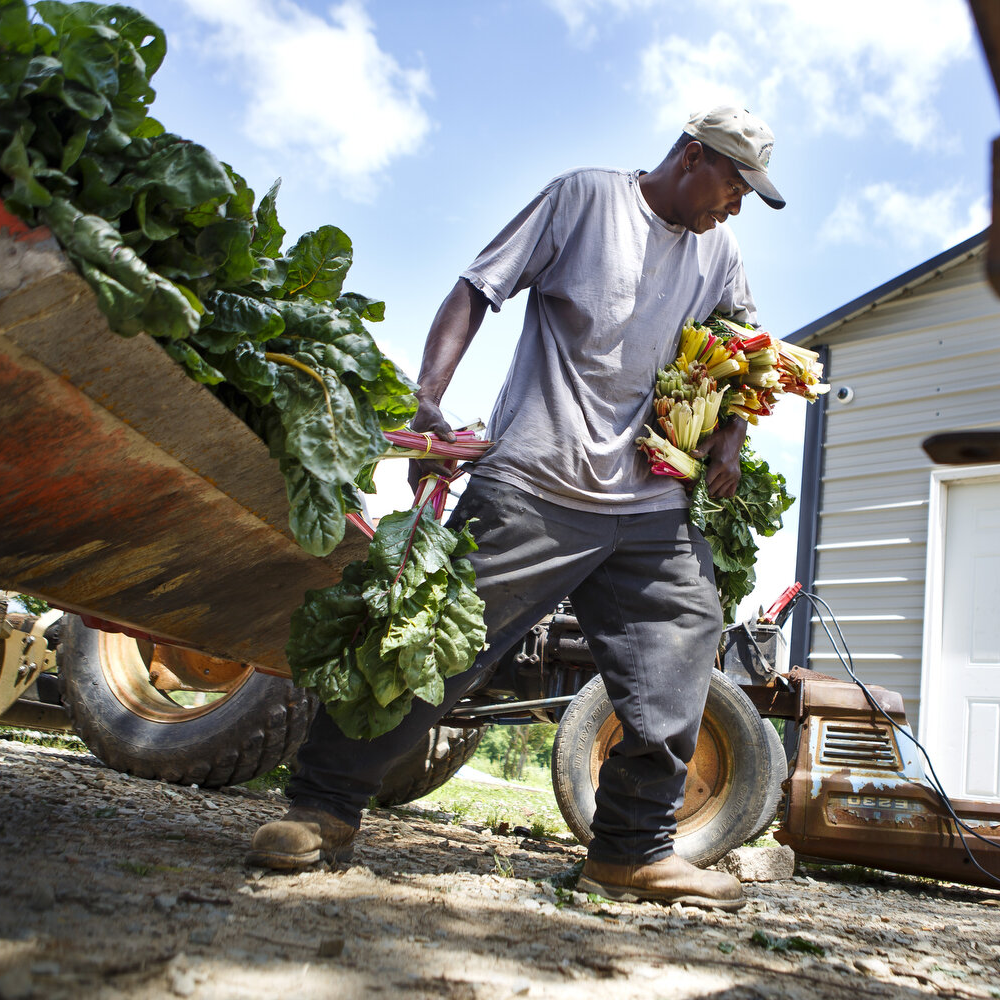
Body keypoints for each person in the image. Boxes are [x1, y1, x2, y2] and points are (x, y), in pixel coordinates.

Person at [247, 106, 786, 911]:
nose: (736, 205)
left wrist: (730, 441)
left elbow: (746, 356)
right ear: (692, 155)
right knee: (430, 647)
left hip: (646, 503)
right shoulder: (584, 200)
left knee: (676, 663)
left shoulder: (722, 253)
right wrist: (429, 393)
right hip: (533, 482)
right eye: (735, 184)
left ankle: (631, 852)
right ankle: (323, 806)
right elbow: (478, 287)